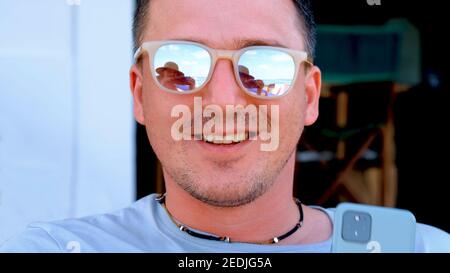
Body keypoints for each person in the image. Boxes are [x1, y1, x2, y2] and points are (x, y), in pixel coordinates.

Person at [1, 0, 449, 253]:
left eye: (264, 65)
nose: (222, 101)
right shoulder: (58, 249)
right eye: (180, 65)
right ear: (140, 94)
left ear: (309, 96)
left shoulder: (414, 248)